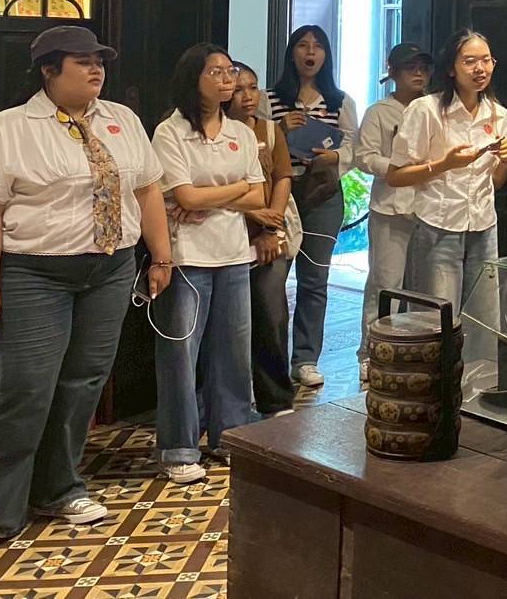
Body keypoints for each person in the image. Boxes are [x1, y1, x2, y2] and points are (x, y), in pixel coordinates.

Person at [0, 27, 173, 568]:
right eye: (83, 62)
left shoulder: (122, 119)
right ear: (48, 69)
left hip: (110, 268)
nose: (97, 70)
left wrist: (162, 257)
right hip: (34, 273)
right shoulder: (8, 128)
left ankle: (59, 486)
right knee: (23, 386)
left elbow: (146, 190)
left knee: (83, 382)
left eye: (100, 61)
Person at [151, 44, 263, 484]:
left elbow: (258, 195)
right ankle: (178, 447)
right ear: (192, 79)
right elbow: (184, 196)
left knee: (233, 353)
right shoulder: (171, 132)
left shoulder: (240, 132)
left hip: (234, 253)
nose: (226, 79)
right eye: (215, 72)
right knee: (181, 354)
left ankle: (229, 436)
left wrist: (209, 197)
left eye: (229, 71)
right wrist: (234, 190)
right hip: (187, 257)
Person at [388, 30, 507, 315]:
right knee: (436, 322)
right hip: (437, 227)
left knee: (483, 320)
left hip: (483, 228)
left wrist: (504, 161)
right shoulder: (426, 110)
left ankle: (477, 351)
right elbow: (395, 176)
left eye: (486, 60)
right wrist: (444, 164)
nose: (480, 69)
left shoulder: (500, 115)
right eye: (469, 61)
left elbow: (496, 181)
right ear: (451, 68)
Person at [265, 24, 358, 389]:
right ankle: (270, 365)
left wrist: (333, 157)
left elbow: (353, 146)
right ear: (292, 53)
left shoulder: (339, 101)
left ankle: (305, 359)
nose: (310, 52)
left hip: (323, 193)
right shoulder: (269, 98)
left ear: (326, 55)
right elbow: (257, 143)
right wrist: (280, 130)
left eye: (318, 47)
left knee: (315, 279)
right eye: (303, 45)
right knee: (272, 281)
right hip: (281, 193)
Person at [353, 42, 432, 380]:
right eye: (410, 67)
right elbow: (363, 156)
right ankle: (371, 352)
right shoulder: (379, 112)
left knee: (423, 286)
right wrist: (399, 168)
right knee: (385, 283)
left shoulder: (434, 107)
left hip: (430, 207)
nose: (418, 74)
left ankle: (413, 350)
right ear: (394, 72)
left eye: (423, 68)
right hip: (390, 207)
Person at [225, 63, 295, 418]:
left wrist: (271, 228)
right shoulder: (218, 131)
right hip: (228, 234)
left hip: (268, 237)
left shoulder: (269, 129)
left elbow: (282, 178)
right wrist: (255, 216)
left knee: (271, 314)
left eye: (253, 87)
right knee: (231, 324)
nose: (248, 96)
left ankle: (276, 399)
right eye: (239, 89)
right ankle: (232, 402)